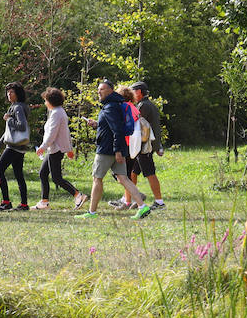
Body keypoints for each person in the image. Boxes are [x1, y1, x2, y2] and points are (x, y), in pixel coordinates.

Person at [79, 80, 148, 219]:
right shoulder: (115, 104)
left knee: (97, 178)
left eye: (102, 89)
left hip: (107, 149)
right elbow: (113, 127)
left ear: (110, 91)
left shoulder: (110, 106)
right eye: (98, 89)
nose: (99, 92)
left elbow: (117, 130)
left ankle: (91, 212)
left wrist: (117, 151)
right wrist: (98, 125)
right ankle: (142, 206)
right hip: (116, 148)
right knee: (123, 178)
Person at [34, 87, 80, 210]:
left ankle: (78, 195)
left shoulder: (57, 113)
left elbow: (52, 134)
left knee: (56, 178)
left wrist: (43, 147)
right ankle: (44, 201)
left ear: (50, 101)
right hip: (54, 149)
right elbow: (65, 133)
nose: (45, 103)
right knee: (43, 173)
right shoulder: (58, 112)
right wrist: (69, 149)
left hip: (55, 149)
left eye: (45, 100)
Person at [128, 81, 165, 209]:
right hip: (144, 146)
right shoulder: (147, 104)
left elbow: (135, 123)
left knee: (150, 173)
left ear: (138, 92)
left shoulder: (143, 106)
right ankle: (132, 198)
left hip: (144, 147)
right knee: (132, 172)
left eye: (132, 91)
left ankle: (159, 202)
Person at [0, 82, 29, 211]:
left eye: (12, 92)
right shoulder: (18, 106)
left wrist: (9, 119)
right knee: (19, 175)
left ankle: (6, 202)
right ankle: (24, 204)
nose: (9, 94)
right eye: (8, 92)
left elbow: (22, 125)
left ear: (18, 93)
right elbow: (9, 131)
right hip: (20, 146)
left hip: (14, 147)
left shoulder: (17, 107)